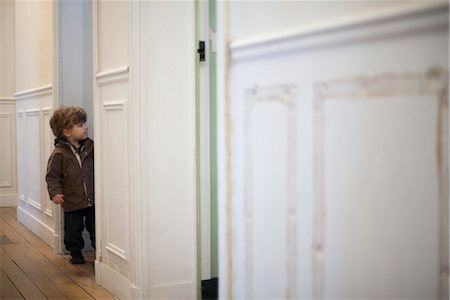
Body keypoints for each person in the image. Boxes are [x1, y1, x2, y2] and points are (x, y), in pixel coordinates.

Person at [46, 106, 95, 264]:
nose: (85, 127)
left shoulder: (89, 147)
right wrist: (54, 193)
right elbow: (52, 176)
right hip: (72, 201)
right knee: (73, 229)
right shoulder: (59, 154)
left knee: (95, 226)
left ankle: (98, 250)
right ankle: (75, 252)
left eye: (84, 124)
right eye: (80, 125)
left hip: (91, 199)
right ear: (67, 132)